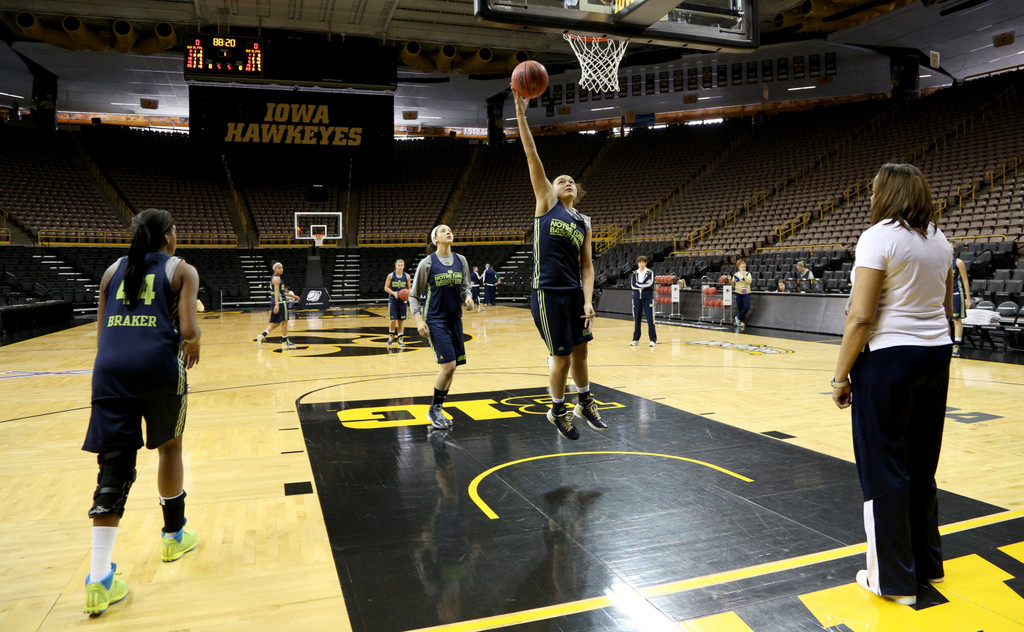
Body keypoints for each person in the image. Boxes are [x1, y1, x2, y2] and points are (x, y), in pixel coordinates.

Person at [831, 163, 953, 607]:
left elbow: (861, 316)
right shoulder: (940, 239)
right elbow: (944, 308)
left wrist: (840, 376)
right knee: (921, 465)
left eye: (874, 190)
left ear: (887, 194)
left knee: (884, 467)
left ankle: (893, 581)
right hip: (936, 354)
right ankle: (927, 563)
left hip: (888, 359)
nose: (870, 197)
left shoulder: (877, 237)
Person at [82, 208, 201, 616]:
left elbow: (102, 333)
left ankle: (99, 578)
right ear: (167, 236)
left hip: (110, 370)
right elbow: (188, 330)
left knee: (114, 465)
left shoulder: (111, 271)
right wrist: (195, 341)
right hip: (158, 368)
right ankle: (173, 535)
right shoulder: (181, 269)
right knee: (170, 447)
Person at [514, 92, 605, 442]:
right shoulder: (546, 204)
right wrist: (521, 115)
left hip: (574, 294)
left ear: (576, 191)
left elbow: (588, 267)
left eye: (571, 181)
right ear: (550, 189)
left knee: (582, 352)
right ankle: (557, 410)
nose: (566, 182)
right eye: (560, 180)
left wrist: (588, 300)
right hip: (548, 292)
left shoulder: (583, 221)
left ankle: (584, 402)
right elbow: (531, 154)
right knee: (562, 358)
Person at [409, 225, 475, 429]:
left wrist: (468, 297)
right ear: (435, 239)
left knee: (452, 367)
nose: (448, 232)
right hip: (435, 319)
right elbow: (413, 295)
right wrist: (419, 320)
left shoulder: (461, 260)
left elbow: (465, 286)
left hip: (455, 318)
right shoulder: (427, 263)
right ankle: (434, 409)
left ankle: (437, 408)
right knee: (448, 366)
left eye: (450, 230)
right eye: (443, 230)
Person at [255, 261, 296, 349]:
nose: (281, 269)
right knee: (284, 321)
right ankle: (284, 342)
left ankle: (262, 335)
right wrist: (277, 305)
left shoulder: (275, 278)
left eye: (282, 268)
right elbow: (277, 292)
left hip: (276, 301)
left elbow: (280, 292)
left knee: (277, 323)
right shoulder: (276, 279)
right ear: (275, 269)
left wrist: (292, 296)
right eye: (279, 268)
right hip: (280, 302)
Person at [629, 255, 657, 347]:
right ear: (638, 263)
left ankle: (652, 339)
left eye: (643, 262)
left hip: (647, 299)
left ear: (646, 263)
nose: (641, 264)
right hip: (637, 299)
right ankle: (636, 339)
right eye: (640, 262)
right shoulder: (634, 273)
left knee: (650, 319)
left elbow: (650, 284)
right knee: (637, 319)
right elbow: (633, 285)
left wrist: (638, 284)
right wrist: (643, 284)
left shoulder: (650, 272)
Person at [384, 259, 410, 347]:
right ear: (396, 266)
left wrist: (407, 293)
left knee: (401, 320)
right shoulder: (391, 276)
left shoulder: (407, 276)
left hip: (403, 301)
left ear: (404, 266)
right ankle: (391, 335)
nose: (400, 267)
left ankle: (400, 338)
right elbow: (386, 288)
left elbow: (409, 288)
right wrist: (393, 293)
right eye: (398, 265)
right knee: (393, 319)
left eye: (401, 265)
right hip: (393, 300)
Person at [950, 244, 971, 358]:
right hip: (944, 295)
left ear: (954, 251)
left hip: (956, 293)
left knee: (956, 320)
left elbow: (965, 281)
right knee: (944, 320)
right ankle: (946, 343)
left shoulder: (958, 262)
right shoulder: (941, 262)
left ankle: (956, 345)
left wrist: (968, 298)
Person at [732, 260, 752, 330]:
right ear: (739, 268)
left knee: (746, 306)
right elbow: (733, 285)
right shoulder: (735, 275)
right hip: (738, 292)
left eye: (744, 267)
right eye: (742, 267)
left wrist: (744, 275)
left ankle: (738, 317)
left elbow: (749, 281)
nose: (743, 268)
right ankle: (742, 321)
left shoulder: (748, 274)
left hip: (746, 292)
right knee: (740, 307)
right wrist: (730, 281)